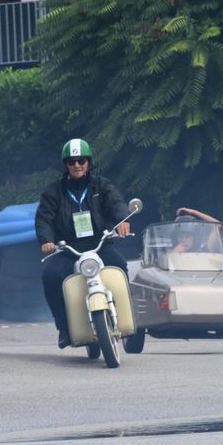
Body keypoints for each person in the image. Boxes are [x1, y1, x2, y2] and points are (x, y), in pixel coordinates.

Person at [35, 138, 133, 348]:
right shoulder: (54, 191)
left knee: (121, 266)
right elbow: (44, 218)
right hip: (68, 249)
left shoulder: (102, 185)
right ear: (66, 165)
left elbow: (116, 203)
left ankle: (126, 315)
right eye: (72, 162)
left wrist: (123, 221)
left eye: (81, 160)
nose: (77, 165)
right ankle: (64, 328)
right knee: (50, 276)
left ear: (89, 162)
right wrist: (47, 240)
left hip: (100, 245)